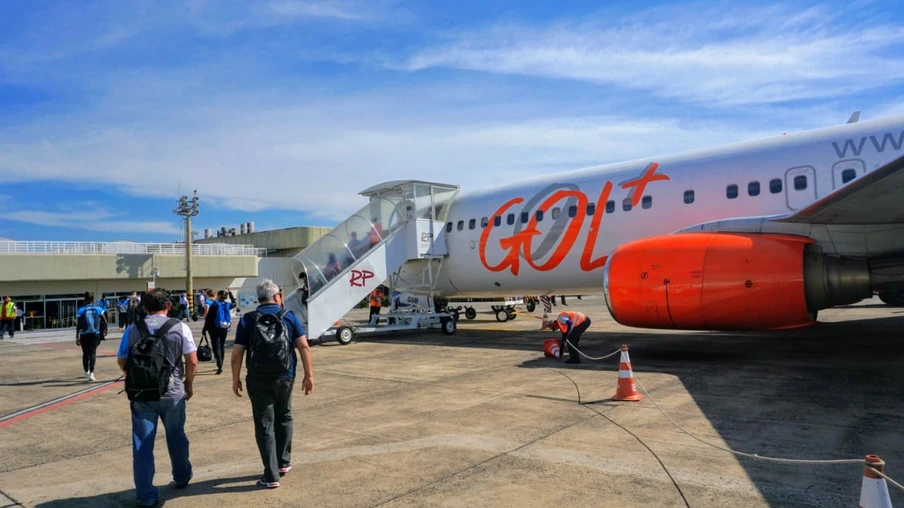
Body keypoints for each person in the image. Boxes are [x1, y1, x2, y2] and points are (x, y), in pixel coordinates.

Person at [117, 288, 198, 507]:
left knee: (142, 443)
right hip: (172, 392)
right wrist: (188, 384)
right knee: (176, 435)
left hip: (142, 394)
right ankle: (181, 476)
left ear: (144, 308)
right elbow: (192, 360)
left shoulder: (133, 329)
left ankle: (146, 495)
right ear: (169, 305)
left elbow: (122, 360)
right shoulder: (180, 328)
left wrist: (137, 378)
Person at [231, 280, 313, 489]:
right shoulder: (289, 317)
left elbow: (237, 353)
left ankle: (271, 474)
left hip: (257, 379)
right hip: (285, 376)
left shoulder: (248, 320)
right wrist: (309, 375)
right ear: (277, 297)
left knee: (264, 424)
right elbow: (304, 347)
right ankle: (284, 462)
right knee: (284, 416)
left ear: (259, 299)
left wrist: (235, 378)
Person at [76, 292, 108, 381]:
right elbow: (105, 321)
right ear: (93, 299)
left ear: (85, 299)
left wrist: (77, 336)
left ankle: (86, 371)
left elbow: (78, 325)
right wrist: (105, 329)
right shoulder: (98, 309)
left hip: (84, 334)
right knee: (93, 353)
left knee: (85, 353)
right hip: (95, 333)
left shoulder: (81, 310)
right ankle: (92, 372)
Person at [203, 290, 231, 374]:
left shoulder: (215, 305)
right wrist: (231, 294)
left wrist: (204, 329)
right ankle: (221, 363)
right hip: (224, 327)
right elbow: (235, 303)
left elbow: (209, 318)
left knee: (216, 346)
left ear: (218, 296)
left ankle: (219, 366)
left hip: (214, 328)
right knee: (222, 345)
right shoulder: (227, 304)